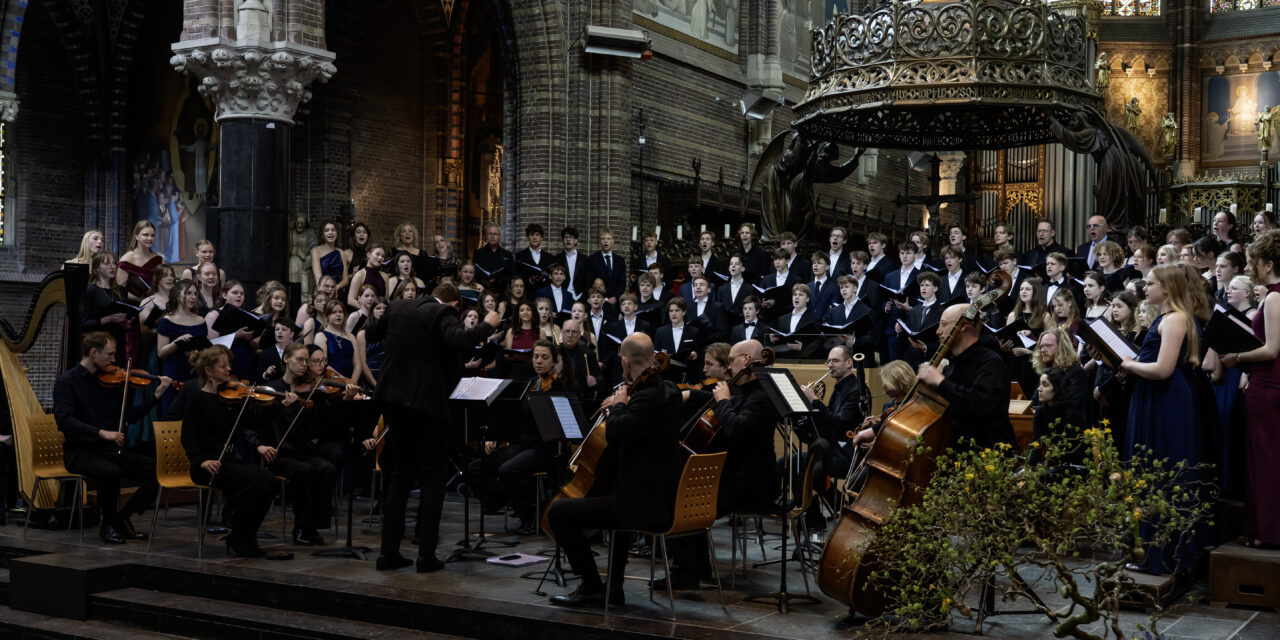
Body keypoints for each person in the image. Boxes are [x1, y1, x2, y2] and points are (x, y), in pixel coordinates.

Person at [367, 283, 502, 572]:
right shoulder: (443, 312)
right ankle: (426, 556)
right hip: (427, 405)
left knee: (400, 477)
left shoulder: (398, 307)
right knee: (433, 478)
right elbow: (460, 339)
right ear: (455, 305)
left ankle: (388, 553)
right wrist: (488, 325)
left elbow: (371, 333)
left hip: (393, 401)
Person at [546, 332, 684, 608]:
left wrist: (619, 406)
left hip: (644, 505)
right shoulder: (669, 389)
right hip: (663, 496)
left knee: (558, 514)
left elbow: (617, 433)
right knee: (613, 490)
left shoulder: (644, 397)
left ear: (624, 360)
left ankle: (592, 587)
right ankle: (615, 589)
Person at [1119, 264, 1212, 573]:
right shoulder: (1173, 317)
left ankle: (1161, 555)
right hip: (1159, 397)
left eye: (1151, 283)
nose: (1146, 288)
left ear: (1168, 288)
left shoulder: (1174, 320)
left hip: (1165, 399)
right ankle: (1157, 552)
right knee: (1157, 469)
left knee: (1161, 469)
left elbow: (1162, 369)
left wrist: (1130, 365)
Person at [53, 332, 172, 544]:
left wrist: (156, 396)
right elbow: (65, 422)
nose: (114, 360)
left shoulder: (111, 382)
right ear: (92, 353)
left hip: (108, 451)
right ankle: (107, 525)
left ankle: (121, 518)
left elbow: (128, 418)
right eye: (109, 354)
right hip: (80, 451)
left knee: (157, 472)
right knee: (111, 472)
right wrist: (101, 432)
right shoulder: (67, 382)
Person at [1220, 230, 1280, 548]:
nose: (1249, 268)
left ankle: (1269, 533)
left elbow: (1271, 350)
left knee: (1266, 462)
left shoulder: (1273, 297)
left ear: (1268, 263)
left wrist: (1236, 357)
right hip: (1270, 385)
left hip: (1268, 386)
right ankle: (1265, 530)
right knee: (1267, 460)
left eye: (1253, 262)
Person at [256, 342, 348, 546]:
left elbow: (324, 424)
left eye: (306, 361)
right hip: (279, 453)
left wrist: (337, 401)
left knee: (327, 468)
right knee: (306, 472)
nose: (304, 364)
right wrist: (281, 405)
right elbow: (259, 421)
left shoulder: (310, 390)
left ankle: (314, 526)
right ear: (286, 359)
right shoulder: (273, 388)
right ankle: (301, 527)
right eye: (300, 359)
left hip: (303, 450)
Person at [916, 304, 1017, 451]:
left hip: (987, 456)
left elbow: (980, 404)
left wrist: (940, 382)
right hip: (957, 453)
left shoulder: (990, 362)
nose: (938, 331)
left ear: (963, 325)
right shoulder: (952, 366)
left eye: (943, 324)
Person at [117, 220, 164, 304]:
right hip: (133, 306)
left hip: (155, 305)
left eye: (152, 235)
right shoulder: (126, 259)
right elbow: (119, 290)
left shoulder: (159, 260)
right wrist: (141, 301)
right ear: (136, 236)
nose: (150, 238)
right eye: (145, 235)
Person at [314, 300, 362, 381]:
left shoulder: (351, 337)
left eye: (340, 312)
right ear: (327, 316)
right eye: (333, 312)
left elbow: (358, 365)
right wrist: (345, 381)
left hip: (351, 382)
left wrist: (352, 382)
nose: (338, 315)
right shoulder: (321, 335)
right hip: (331, 382)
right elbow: (323, 365)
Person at [310, 222, 350, 295]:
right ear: (322, 235)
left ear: (337, 234)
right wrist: (328, 289)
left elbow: (346, 279)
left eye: (333, 230)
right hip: (322, 291)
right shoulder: (315, 251)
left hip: (337, 290)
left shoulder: (341, 252)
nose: (330, 232)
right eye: (327, 230)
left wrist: (336, 288)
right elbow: (318, 278)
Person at [474, 223, 515, 290]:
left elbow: (512, 274)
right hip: (483, 290)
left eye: (495, 234)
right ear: (486, 236)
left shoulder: (507, 254)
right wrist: (482, 280)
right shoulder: (478, 253)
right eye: (490, 234)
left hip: (502, 291)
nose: (492, 236)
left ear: (499, 236)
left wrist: (499, 279)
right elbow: (475, 273)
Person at [346, 243, 388, 308]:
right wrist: (367, 311)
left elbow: (386, 300)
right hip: (364, 314)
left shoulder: (384, 276)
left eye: (383, 256)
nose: (380, 258)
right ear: (368, 254)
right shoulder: (360, 275)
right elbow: (351, 300)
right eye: (377, 254)